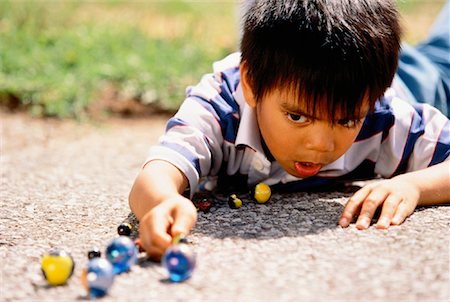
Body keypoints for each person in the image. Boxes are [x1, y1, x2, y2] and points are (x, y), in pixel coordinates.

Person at [129, 0, 450, 260]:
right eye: (298, 117)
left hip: (411, 82)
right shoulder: (219, 108)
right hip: (334, 68)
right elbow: (159, 170)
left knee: (441, 61)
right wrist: (161, 202)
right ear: (251, 84)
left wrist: (415, 186)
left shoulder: (382, 115)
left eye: (345, 121)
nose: (320, 144)